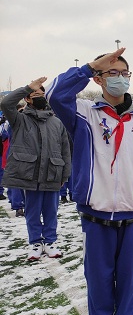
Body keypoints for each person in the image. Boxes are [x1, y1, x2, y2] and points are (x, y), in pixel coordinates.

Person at [47, 48, 133, 315]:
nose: (121, 78)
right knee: (99, 277)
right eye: (112, 72)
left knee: (128, 277)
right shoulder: (84, 112)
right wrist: (88, 67)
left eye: (125, 73)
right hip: (96, 214)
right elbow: (55, 93)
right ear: (98, 78)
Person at [1, 79, 71, 260]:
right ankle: (35, 243)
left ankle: (50, 241)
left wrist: (65, 173)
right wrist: (27, 88)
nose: (40, 97)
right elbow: (5, 103)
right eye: (35, 95)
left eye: (42, 94)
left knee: (51, 212)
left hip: (52, 174)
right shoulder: (20, 119)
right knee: (32, 212)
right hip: (30, 176)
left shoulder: (56, 122)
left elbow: (65, 150)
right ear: (28, 99)